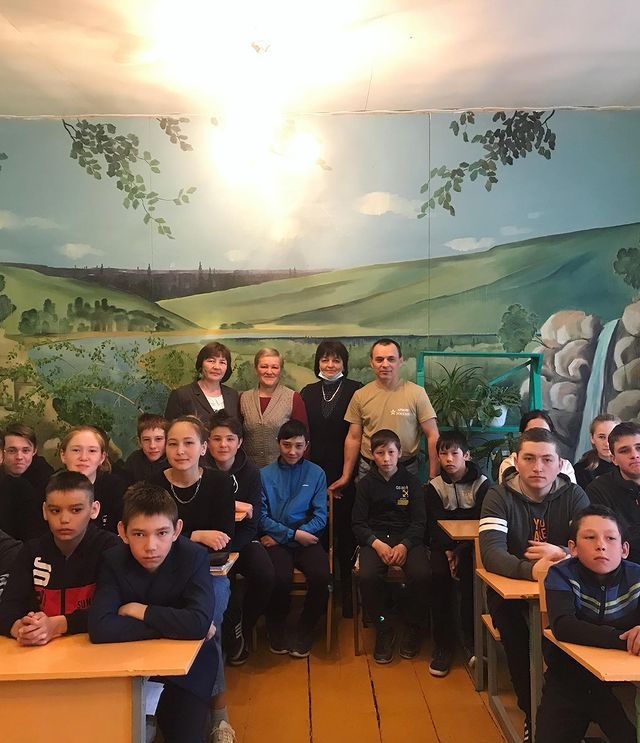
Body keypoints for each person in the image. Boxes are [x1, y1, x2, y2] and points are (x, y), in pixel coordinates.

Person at [479, 428, 589, 740]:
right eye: (529, 458)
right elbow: (491, 552)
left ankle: (572, 717)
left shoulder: (574, 496)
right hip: (510, 591)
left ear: (560, 464)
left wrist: (564, 552)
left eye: (546, 459)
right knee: (516, 633)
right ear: (516, 461)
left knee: (573, 633)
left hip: (566, 590)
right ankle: (532, 712)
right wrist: (532, 571)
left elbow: (592, 544)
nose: (538, 467)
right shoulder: (498, 495)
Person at [89, 483, 216, 743]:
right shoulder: (113, 560)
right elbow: (101, 628)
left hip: (187, 672)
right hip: (128, 666)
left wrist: (140, 610)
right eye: (139, 534)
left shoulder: (193, 556)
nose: (151, 546)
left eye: (162, 533)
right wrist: (180, 625)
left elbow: (199, 624)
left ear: (177, 530)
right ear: (122, 532)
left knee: (186, 736)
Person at [150, 415, 236, 743]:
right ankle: (156, 709)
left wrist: (173, 538)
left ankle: (219, 717)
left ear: (203, 448)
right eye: (173, 443)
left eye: (188, 443)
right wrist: (196, 535)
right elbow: (147, 538)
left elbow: (223, 537)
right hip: (158, 573)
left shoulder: (219, 483)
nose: (180, 450)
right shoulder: (153, 484)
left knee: (207, 627)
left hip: (209, 573)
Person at [536, 505, 638, 743]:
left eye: (610, 538)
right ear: (572, 548)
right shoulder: (561, 574)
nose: (601, 545)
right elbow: (563, 625)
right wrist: (622, 640)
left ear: (624, 549)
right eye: (590, 538)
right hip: (569, 677)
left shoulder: (636, 577)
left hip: (626, 680)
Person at [0, 471, 119, 642]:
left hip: (93, 647)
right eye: (55, 510)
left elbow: (115, 609)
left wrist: (57, 625)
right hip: (41, 651)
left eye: (76, 510)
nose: (64, 519)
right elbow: (7, 608)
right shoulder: (31, 551)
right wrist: (21, 629)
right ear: (44, 511)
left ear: (94, 510)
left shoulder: (110, 548)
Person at [352, 429, 430, 664]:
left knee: (422, 574)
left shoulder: (412, 482)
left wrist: (404, 545)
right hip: (375, 539)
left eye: (391, 452)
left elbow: (419, 522)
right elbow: (358, 523)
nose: (386, 458)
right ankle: (383, 627)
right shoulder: (365, 484)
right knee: (367, 576)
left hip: (407, 538)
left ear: (400, 453)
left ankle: (413, 626)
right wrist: (377, 545)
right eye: (380, 453)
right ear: (372, 455)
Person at [203, 410, 274, 666]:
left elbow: (252, 523)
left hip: (241, 540)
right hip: (210, 543)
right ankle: (230, 640)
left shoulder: (251, 472)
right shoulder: (199, 470)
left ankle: (246, 624)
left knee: (266, 574)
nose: (223, 445)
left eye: (230, 439)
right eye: (217, 439)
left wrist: (232, 549)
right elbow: (203, 515)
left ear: (240, 442)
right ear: (207, 442)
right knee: (226, 587)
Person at [300, 340, 362, 616]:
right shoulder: (307, 392)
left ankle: (348, 594)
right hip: (312, 474)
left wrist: (345, 476)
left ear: (344, 364)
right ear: (318, 362)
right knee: (319, 532)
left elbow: (357, 435)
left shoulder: (356, 390)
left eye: (336, 360)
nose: (330, 365)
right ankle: (322, 594)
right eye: (325, 359)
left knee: (346, 534)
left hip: (346, 472)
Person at [330, 338, 439, 491]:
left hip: (406, 470)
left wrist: (434, 476)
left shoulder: (417, 393)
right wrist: (346, 476)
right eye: (379, 359)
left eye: (391, 359)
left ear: (400, 361)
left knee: (407, 507)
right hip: (369, 470)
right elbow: (353, 438)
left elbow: (433, 435)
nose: (385, 364)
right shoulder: (360, 395)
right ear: (371, 362)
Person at [259, 420, 329, 658]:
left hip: (306, 538)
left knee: (321, 576)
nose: (292, 451)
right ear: (278, 443)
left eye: (298, 446)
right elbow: (261, 517)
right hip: (278, 538)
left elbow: (321, 516)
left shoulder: (316, 473)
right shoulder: (264, 475)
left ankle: (306, 627)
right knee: (278, 577)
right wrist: (289, 535)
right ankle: (276, 626)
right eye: (286, 445)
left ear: (306, 446)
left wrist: (297, 535)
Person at [425, 430, 490, 676]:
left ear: (467, 455)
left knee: (471, 579)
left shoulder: (483, 484)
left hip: (473, 547)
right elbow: (433, 525)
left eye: (455, 453)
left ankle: (473, 643)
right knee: (438, 576)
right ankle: (443, 646)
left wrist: (460, 551)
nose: (449, 459)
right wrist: (449, 551)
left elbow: (484, 522)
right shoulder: (434, 487)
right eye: (444, 454)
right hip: (442, 548)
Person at [240, 347, 309, 468]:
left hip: (284, 470)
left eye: (274, 367)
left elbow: (303, 438)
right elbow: (236, 437)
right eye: (264, 366)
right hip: (249, 470)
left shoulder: (293, 398)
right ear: (256, 369)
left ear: (280, 370)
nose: (269, 371)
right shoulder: (243, 398)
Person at [58, 425, 128, 534]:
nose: (83, 457)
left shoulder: (116, 488)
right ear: (63, 455)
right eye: (76, 450)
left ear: (102, 457)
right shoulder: (50, 487)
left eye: (92, 451)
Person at [587, 421, 640, 563]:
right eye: (624, 450)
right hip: (623, 567)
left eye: (639, 448)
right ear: (614, 459)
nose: (634, 455)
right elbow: (606, 540)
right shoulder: (598, 489)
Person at [165, 341, 240, 421]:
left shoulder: (233, 395)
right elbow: (171, 426)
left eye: (222, 362)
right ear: (201, 364)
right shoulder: (181, 395)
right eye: (211, 361)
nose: (217, 367)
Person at [498, 409, 576, 483]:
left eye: (544, 433)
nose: (538, 437)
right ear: (521, 435)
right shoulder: (510, 464)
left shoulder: (565, 466)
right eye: (532, 432)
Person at [573, 414, 620, 490]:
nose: (607, 443)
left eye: (612, 437)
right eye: (601, 437)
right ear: (592, 438)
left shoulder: (631, 465)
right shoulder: (581, 469)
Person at [124, 412, 169, 483]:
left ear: (167, 440)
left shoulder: (172, 461)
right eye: (146, 440)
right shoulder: (133, 460)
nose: (152, 446)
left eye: (158, 439)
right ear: (139, 442)